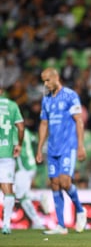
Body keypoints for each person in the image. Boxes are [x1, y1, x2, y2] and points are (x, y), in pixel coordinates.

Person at [35, 68, 88, 235]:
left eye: (47, 80)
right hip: (52, 148)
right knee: (55, 184)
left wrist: (80, 145)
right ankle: (61, 226)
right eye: (43, 81)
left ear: (56, 77)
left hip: (68, 146)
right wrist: (39, 148)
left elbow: (79, 121)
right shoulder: (46, 100)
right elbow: (44, 124)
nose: (45, 84)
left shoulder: (70, 96)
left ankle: (80, 210)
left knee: (65, 182)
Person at [0, 86, 24, 234]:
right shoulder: (12, 105)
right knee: (8, 189)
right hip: (7, 153)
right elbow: (21, 127)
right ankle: (7, 225)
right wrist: (19, 145)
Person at [15, 128, 50, 229]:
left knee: (19, 194)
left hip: (23, 168)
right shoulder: (26, 131)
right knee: (22, 197)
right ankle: (37, 222)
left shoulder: (12, 132)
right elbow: (35, 141)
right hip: (31, 166)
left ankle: (39, 197)